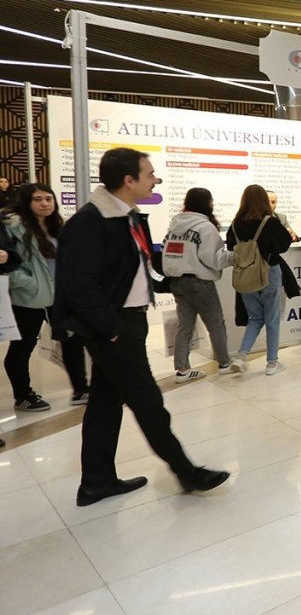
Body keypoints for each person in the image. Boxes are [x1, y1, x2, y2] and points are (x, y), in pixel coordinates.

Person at [54, 148, 228, 505]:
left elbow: (133, 269)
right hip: (113, 328)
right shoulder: (90, 223)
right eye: (149, 174)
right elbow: (78, 285)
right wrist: (112, 328)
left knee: (104, 404)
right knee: (149, 402)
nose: (155, 179)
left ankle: (96, 481)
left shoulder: (128, 217)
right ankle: (186, 471)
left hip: (126, 321)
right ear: (128, 181)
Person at [4, 183, 89, 409]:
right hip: (27, 297)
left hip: (58, 296)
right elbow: (8, 264)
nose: (44, 203)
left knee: (72, 340)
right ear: (26, 202)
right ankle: (23, 395)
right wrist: (29, 284)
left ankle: (81, 389)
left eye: (48, 199)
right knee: (22, 347)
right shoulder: (13, 228)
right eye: (38, 199)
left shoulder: (57, 227)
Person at [161, 188, 233, 381]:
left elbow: (167, 253)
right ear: (208, 203)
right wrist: (234, 257)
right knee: (216, 323)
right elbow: (214, 259)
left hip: (177, 282)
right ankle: (224, 363)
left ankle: (182, 369)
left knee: (185, 326)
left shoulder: (175, 226)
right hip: (200, 283)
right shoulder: (205, 227)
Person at [227, 185, 293, 374]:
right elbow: (284, 244)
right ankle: (272, 363)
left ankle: (241, 357)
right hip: (269, 274)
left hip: (245, 276)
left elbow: (231, 248)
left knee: (255, 318)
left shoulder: (235, 224)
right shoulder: (270, 222)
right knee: (272, 319)